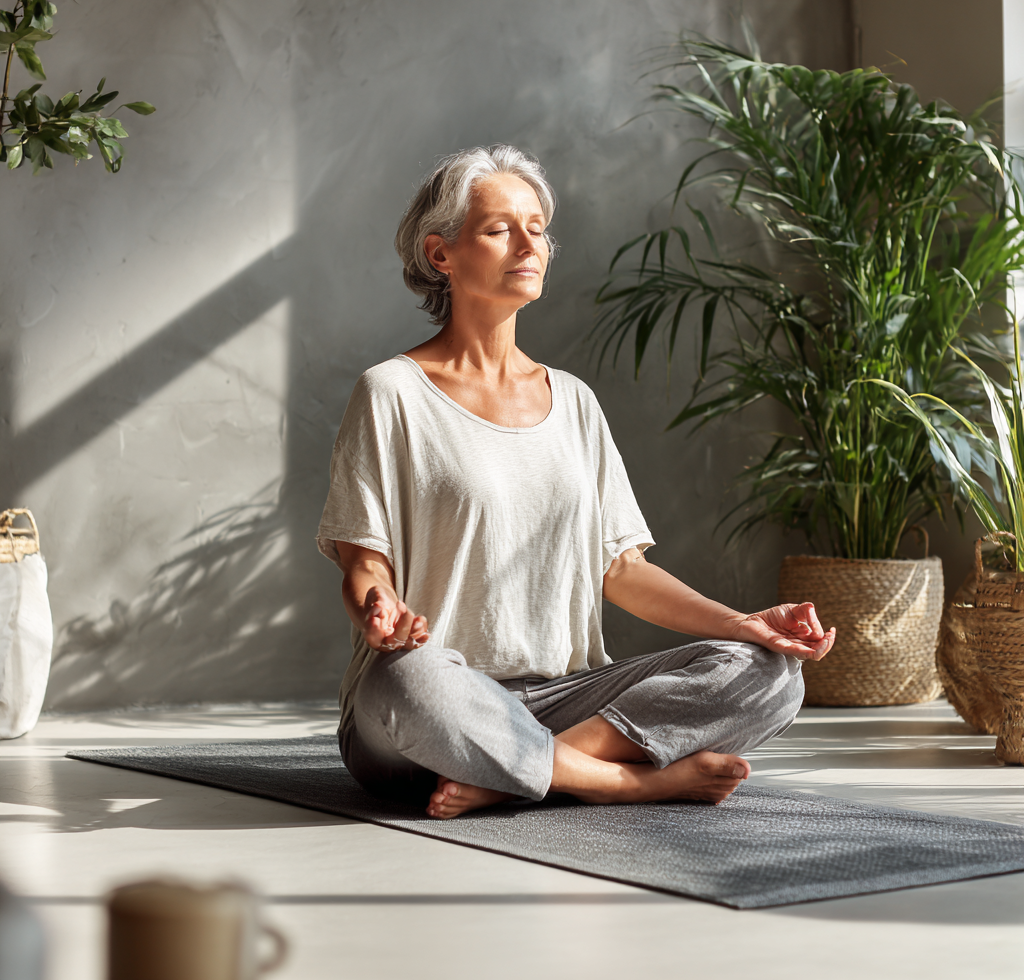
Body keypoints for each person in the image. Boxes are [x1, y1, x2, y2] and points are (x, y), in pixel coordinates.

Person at [317, 145, 835, 820]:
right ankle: (622, 781)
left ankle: (518, 770)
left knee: (771, 673)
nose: (529, 243)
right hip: (436, 699)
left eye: (538, 227)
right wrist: (380, 610)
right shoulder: (391, 393)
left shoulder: (575, 403)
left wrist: (745, 624)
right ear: (441, 254)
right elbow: (364, 562)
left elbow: (621, 571)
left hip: (565, 693)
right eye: (501, 228)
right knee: (408, 683)